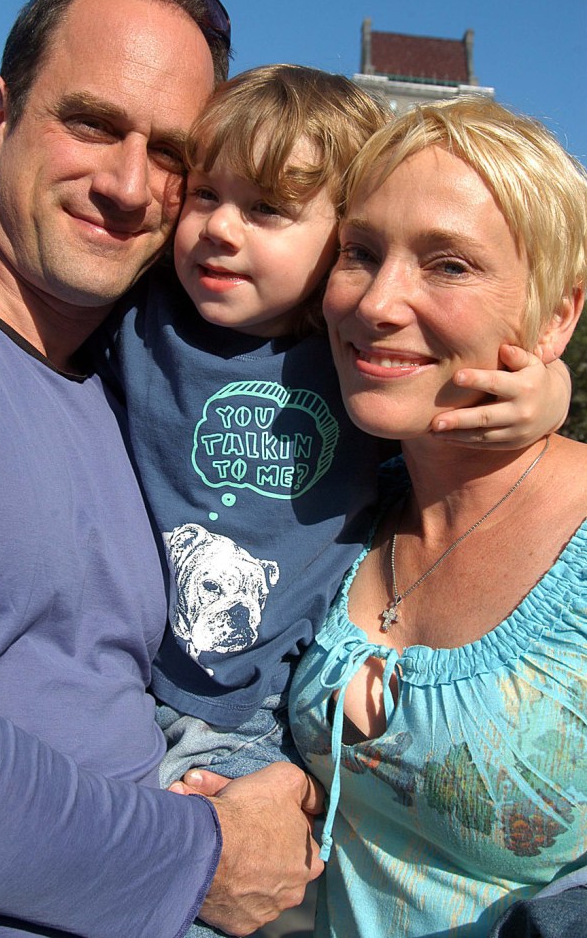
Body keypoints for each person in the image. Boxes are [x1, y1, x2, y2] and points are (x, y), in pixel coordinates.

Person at [0, 63, 571, 818]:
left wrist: (544, 394)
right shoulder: (143, 311)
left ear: (339, 245)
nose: (220, 230)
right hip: (114, 681)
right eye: (205, 196)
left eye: (267, 210)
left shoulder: (352, 356)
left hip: (261, 721)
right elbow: (49, 263)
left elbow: (447, 399)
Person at [0, 0, 326, 938]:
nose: (131, 185)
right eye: (91, 124)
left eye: (175, 153)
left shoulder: (131, 379)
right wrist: (202, 856)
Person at [281, 97, 587, 936]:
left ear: (558, 312)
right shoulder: (329, 499)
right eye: (361, 253)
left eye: (448, 264)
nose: (378, 303)